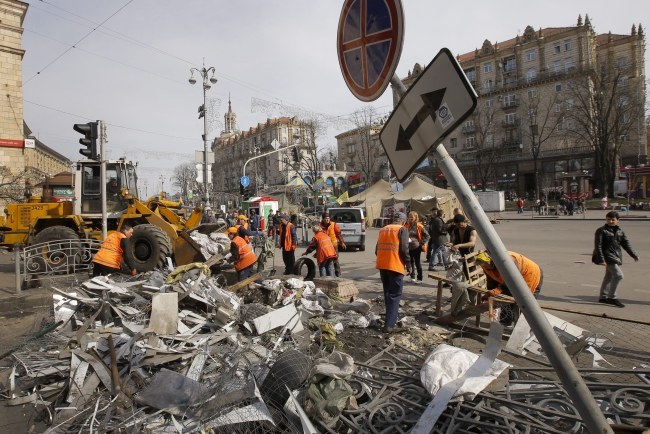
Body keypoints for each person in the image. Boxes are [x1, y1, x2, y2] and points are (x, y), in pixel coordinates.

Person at [475, 250, 543, 326]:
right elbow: (491, 280)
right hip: (511, 279)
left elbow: (511, 282)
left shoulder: (507, 262)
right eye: (483, 265)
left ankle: (526, 328)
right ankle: (505, 323)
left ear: (491, 260)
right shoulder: (485, 265)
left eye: (486, 264)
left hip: (531, 275)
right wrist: (490, 294)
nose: (485, 266)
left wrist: (496, 291)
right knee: (503, 298)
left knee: (525, 304)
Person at [592, 211, 639, 308]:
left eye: (613, 220)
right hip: (607, 257)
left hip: (615, 256)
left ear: (618, 220)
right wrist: (601, 259)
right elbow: (598, 246)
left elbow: (626, 244)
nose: (610, 221)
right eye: (608, 219)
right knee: (619, 275)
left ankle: (603, 297)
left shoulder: (620, 231)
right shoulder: (601, 230)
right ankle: (612, 298)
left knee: (608, 276)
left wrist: (633, 255)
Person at [375, 212, 410, 333]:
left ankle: (389, 319)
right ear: (403, 221)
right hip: (395, 265)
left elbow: (376, 249)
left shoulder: (383, 229)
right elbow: (404, 249)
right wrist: (409, 264)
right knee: (395, 295)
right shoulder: (402, 229)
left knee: (387, 293)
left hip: (382, 265)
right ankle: (389, 324)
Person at [404, 211, 430, 284]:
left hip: (416, 247)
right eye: (409, 217)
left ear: (416, 218)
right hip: (408, 247)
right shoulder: (406, 225)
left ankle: (420, 278)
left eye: (412, 217)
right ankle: (412, 277)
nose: (410, 218)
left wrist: (421, 243)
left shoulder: (419, 226)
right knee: (410, 262)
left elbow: (427, 236)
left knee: (417, 263)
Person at [320, 212, 346, 276]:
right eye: (326, 218)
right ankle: (327, 276)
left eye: (328, 218)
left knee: (335, 261)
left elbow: (339, 234)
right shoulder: (320, 227)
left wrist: (342, 242)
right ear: (323, 219)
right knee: (325, 261)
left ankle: (338, 275)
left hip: (333, 246)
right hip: (325, 247)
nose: (327, 220)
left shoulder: (334, 225)